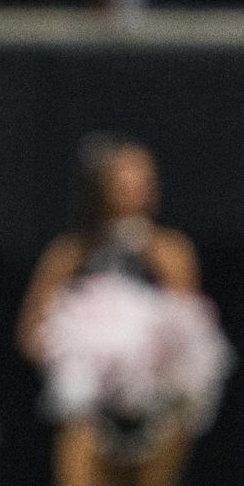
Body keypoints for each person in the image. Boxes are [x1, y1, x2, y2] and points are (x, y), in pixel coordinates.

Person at [16, 132, 233, 486]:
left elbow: (190, 333)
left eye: (141, 180)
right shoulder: (68, 253)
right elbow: (29, 332)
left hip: (157, 413)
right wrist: (72, 352)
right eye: (122, 179)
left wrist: (153, 255)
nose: (132, 189)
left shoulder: (172, 250)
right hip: (87, 413)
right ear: (99, 186)